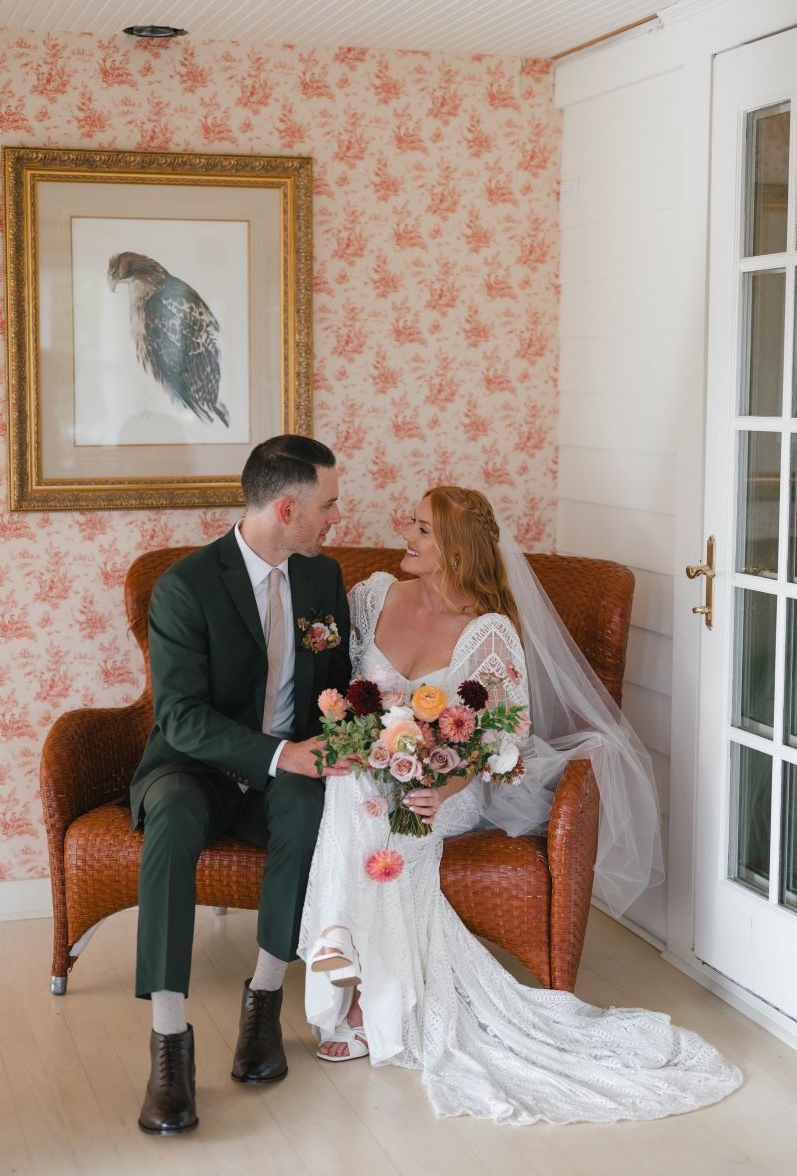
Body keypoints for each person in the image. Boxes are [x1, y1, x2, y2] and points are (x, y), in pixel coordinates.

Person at [298, 486, 742, 1125]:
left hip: (448, 789)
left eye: (421, 530)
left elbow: (501, 740)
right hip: (371, 772)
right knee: (355, 782)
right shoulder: (371, 596)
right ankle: (353, 961)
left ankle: (347, 966)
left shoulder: (488, 632)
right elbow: (332, 684)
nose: (407, 535)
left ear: (453, 548)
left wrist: (441, 782)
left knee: (389, 803)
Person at [131, 435, 352, 1135]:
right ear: (287, 508)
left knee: (308, 809)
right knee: (167, 817)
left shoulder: (321, 580)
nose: (334, 518)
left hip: (284, 774)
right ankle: (169, 1046)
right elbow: (181, 717)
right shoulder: (186, 585)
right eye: (327, 505)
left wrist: (347, 737)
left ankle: (262, 1004)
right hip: (191, 767)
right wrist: (280, 753)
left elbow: (338, 683)